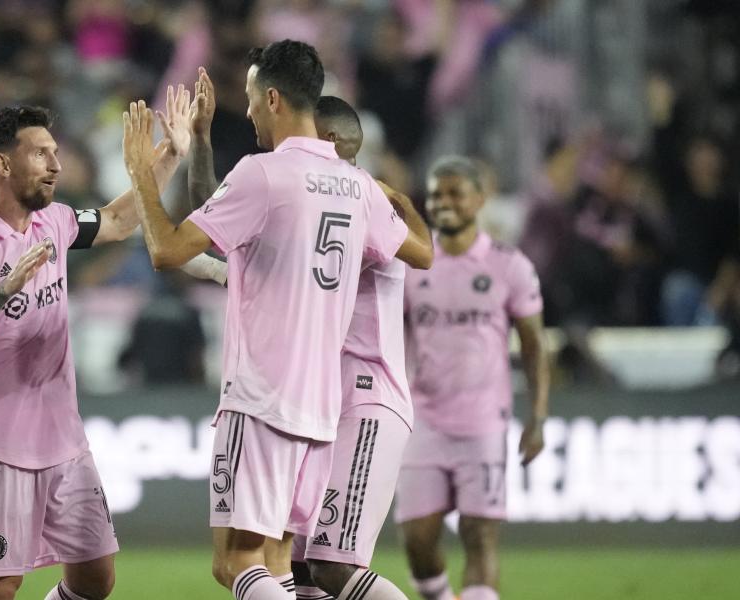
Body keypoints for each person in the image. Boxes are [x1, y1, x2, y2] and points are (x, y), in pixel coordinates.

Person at [120, 40, 432, 600]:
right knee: (284, 562)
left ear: (272, 97)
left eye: (250, 99)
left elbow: (166, 250)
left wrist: (142, 170)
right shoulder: (359, 188)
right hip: (320, 409)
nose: (249, 112)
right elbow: (418, 252)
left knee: (236, 563)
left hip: (262, 395)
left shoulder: (263, 174)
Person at [0, 92, 193, 600]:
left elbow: (118, 220)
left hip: (63, 439)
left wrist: (171, 155)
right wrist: (0, 294)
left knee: (95, 577)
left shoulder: (55, 221)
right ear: (3, 163)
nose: (56, 164)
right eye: (41, 154)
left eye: (56, 152)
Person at [395, 156, 550, 600]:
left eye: (454, 193)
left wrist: (537, 418)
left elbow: (535, 346)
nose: (442, 203)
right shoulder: (413, 265)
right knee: (418, 540)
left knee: (480, 535)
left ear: (480, 199)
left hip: (483, 423)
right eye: (436, 194)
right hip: (422, 421)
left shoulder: (509, 265)